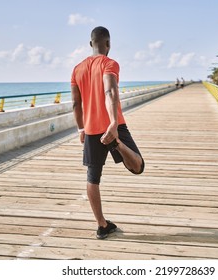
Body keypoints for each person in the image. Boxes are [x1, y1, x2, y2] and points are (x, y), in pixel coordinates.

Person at [71, 26, 145, 239]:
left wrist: (81, 128)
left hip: (92, 130)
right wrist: (113, 124)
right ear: (108, 44)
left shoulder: (77, 69)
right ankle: (117, 144)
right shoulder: (110, 64)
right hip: (114, 126)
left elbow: (76, 103)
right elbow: (110, 91)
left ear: (90, 43)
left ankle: (102, 225)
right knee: (138, 167)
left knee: (92, 178)